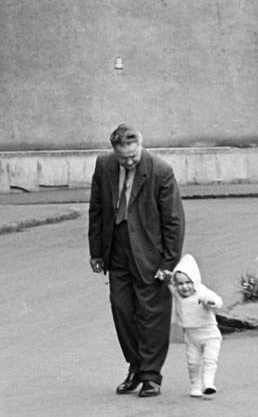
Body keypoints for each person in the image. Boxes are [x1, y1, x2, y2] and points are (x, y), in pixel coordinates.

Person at [88, 123, 185, 398]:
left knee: (152, 314)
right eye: (123, 158)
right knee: (121, 309)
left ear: (140, 147)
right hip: (116, 248)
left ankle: (151, 376)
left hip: (149, 253)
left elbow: (174, 221)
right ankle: (136, 367)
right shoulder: (104, 165)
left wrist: (168, 264)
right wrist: (96, 251)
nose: (129, 161)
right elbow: (96, 209)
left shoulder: (161, 170)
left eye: (133, 156)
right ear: (114, 152)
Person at [168, 254, 224, 398]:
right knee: (193, 363)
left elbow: (217, 301)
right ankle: (195, 386)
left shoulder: (202, 292)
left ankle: (208, 383)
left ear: (195, 281)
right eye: (180, 284)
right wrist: (165, 277)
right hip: (191, 337)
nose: (184, 287)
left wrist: (210, 303)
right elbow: (170, 285)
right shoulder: (178, 294)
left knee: (210, 360)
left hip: (210, 335)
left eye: (188, 282)